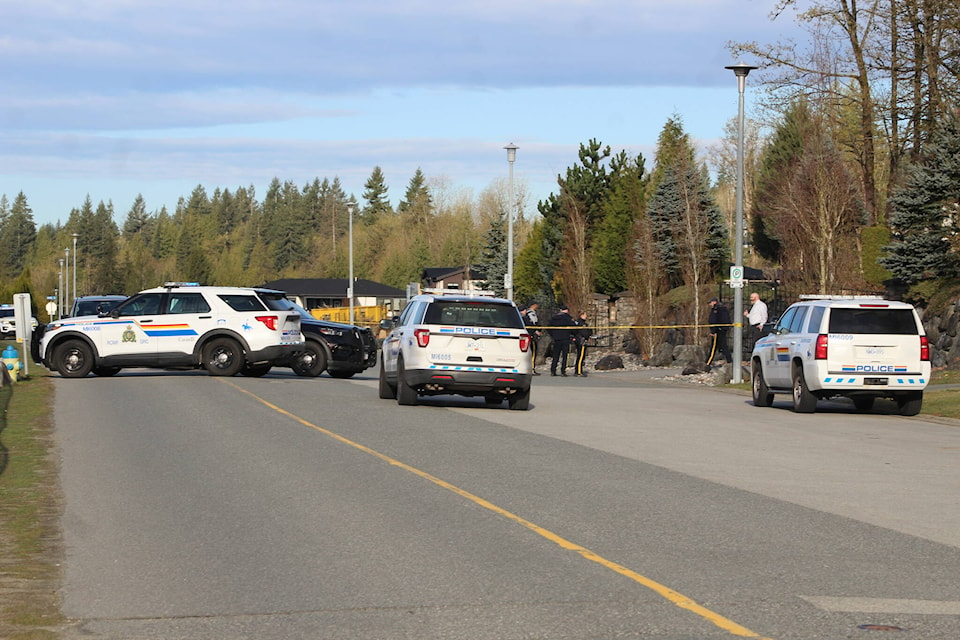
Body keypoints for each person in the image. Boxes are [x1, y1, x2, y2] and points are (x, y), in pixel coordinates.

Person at [547, 304, 575, 376]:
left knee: (555, 355)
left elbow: (549, 328)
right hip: (565, 338)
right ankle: (563, 371)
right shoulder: (568, 318)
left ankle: (553, 370)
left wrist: (553, 335)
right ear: (566, 310)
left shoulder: (554, 318)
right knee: (565, 356)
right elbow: (573, 327)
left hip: (556, 339)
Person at [706, 297, 732, 366]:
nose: (710, 304)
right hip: (722, 329)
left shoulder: (716, 309)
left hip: (718, 330)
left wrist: (713, 331)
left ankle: (708, 362)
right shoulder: (723, 308)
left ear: (714, 302)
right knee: (723, 346)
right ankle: (730, 361)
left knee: (714, 347)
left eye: (710, 303)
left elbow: (714, 320)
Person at [520, 301, 542, 375]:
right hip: (531, 336)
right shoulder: (526, 317)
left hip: (522, 337)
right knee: (533, 353)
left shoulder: (518, 317)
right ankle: (532, 369)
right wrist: (537, 331)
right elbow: (533, 325)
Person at [570, 310, 591, 377]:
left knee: (581, 356)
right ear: (581, 315)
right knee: (580, 356)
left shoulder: (580, 322)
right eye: (585, 315)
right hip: (581, 341)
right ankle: (578, 371)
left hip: (580, 340)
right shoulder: (581, 323)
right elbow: (583, 332)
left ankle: (578, 370)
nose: (586, 316)